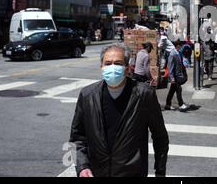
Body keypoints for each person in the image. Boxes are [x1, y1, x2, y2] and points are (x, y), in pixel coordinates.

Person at [69, 43, 169, 177]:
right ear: (101, 66)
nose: (112, 67)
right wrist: (82, 166)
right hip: (97, 172)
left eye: (118, 63)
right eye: (108, 63)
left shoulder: (144, 95)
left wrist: (160, 171)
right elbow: (77, 138)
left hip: (132, 173)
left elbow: (160, 136)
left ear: (127, 68)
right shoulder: (87, 95)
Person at [165, 41, 190, 112]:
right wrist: (172, 78)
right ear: (177, 46)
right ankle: (181, 104)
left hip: (178, 75)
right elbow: (170, 67)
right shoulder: (173, 54)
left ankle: (168, 105)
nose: (181, 47)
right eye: (180, 46)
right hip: (175, 76)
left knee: (172, 91)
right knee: (179, 89)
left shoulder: (178, 53)